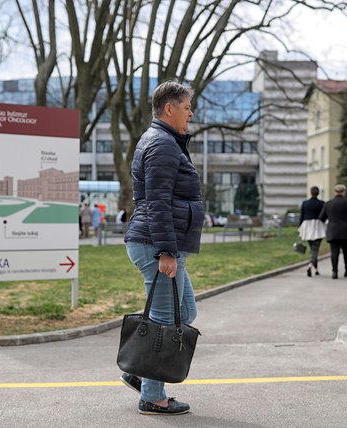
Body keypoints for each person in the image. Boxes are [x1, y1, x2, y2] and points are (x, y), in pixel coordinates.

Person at [122, 80, 204, 415]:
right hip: (157, 245)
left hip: (160, 243)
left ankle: (139, 369)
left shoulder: (164, 141)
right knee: (165, 321)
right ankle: (152, 396)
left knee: (185, 313)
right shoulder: (162, 144)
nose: (191, 113)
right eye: (187, 107)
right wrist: (167, 251)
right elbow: (156, 201)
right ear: (169, 108)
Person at [318, 184, 347, 279]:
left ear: (335, 192)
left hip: (333, 231)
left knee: (334, 252)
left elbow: (321, 218)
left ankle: (334, 271)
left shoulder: (328, 203)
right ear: (344, 192)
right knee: (346, 253)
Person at [298, 186, 326, 277]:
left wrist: (299, 228)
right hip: (318, 226)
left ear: (310, 193)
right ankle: (311, 264)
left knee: (313, 249)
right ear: (318, 193)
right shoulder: (322, 203)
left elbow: (302, 216)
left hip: (307, 226)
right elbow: (324, 216)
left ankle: (316, 268)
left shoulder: (305, 203)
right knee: (315, 249)